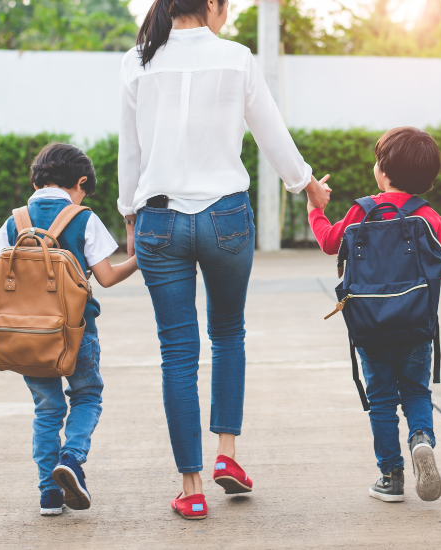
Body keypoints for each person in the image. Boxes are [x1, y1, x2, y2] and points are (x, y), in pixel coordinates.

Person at [119, 0, 331, 520]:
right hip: (226, 219)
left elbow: (131, 149)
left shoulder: (137, 60)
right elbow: (271, 132)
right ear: (211, 4)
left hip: (159, 220)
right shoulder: (236, 58)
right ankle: (226, 455)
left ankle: (191, 489)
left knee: (177, 352)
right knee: (228, 333)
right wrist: (307, 185)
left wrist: (129, 215)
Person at [308, 127, 441, 503]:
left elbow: (329, 242)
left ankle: (391, 477)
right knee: (417, 392)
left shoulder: (361, 211)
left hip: (370, 327)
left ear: (384, 171)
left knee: (382, 400)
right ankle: (421, 439)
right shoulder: (428, 217)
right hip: (416, 325)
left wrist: (315, 210)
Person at [0, 142, 138, 516]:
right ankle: (72, 458)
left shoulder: (15, 221)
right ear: (80, 182)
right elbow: (107, 277)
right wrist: (139, 260)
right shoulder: (83, 218)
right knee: (87, 395)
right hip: (76, 332)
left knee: (47, 410)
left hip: (25, 337)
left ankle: (49, 495)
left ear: (37, 179)